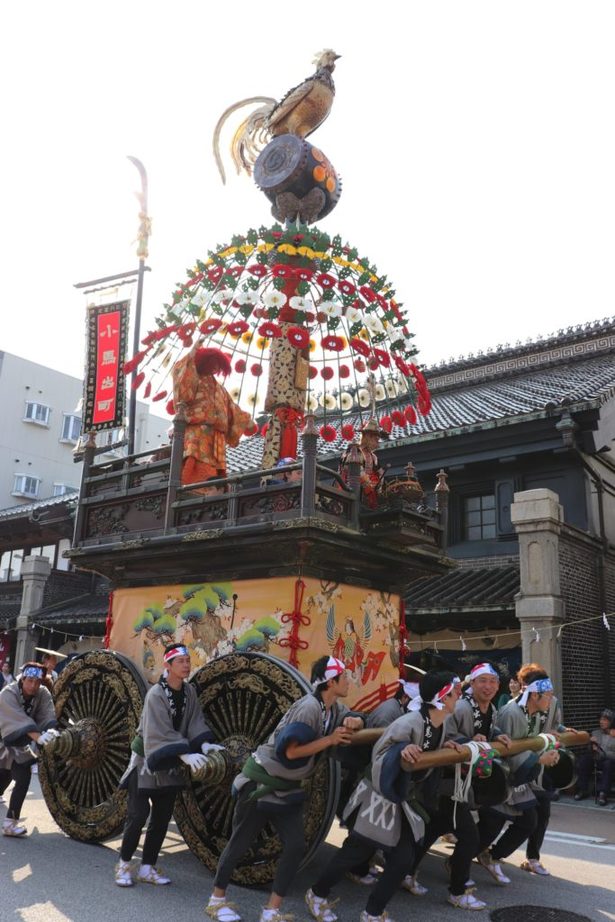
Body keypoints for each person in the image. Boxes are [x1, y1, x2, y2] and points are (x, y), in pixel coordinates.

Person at [304, 670, 481, 919]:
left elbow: (429, 747)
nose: (459, 696)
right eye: (454, 693)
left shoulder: (438, 725)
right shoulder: (408, 723)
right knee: (356, 852)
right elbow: (380, 754)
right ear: (441, 697)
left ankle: (372, 912)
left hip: (400, 801)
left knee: (402, 860)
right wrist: (400, 750)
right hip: (378, 797)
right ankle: (317, 894)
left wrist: (445, 747)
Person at [205, 656, 364, 922]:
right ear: (331, 681)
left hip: (287, 788)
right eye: (345, 677)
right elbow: (288, 751)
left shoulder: (332, 709)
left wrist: (355, 722)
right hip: (262, 782)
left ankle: (271, 910)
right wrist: (330, 739)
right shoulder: (309, 708)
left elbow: (353, 717)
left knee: (294, 846)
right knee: (240, 842)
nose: (349, 681)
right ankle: (216, 900)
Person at [115, 643, 218, 887]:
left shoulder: (189, 691)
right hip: (147, 760)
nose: (186, 665)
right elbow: (158, 731)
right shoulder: (156, 694)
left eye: (187, 660)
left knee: (162, 817)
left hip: (171, 759)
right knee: (138, 815)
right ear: (168, 665)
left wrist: (203, 745)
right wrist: (185, 754)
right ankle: (123, 864)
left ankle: (148, 867)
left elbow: (194, 721)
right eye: (180, 661)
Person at [475, 668, 561, 884]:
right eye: (548, 694)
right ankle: (463, 860)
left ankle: (491, 856)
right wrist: (538, 760)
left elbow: (539, 738)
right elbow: (502, 750)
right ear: (534, 694)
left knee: (528, 820)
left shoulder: (538, 712)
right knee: (490, 825)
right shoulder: (511, 713)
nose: (551, 698)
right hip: (501, 776)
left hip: (520, 775)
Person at [172, 342, 252, 488]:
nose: (215, 368)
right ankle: (193, 490)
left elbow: (231, 407)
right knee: (195, 461)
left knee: (215, 471)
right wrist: (192, 353)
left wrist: (247, 420)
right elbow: (182, 384)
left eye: (218, 365)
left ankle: (213, 491)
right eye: (213, 363)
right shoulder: (194, 377)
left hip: (217, 437)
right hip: (198, 431)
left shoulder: (220, 388)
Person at [0, 662, 59, 836]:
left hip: (21, 741)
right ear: (23, 678)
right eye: (30, 681)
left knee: (23, 776)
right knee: (3, 776)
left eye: (37, 682)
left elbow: (47, 714)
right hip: (4, 736)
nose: (33, 685)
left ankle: (10, 822)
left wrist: (50, 730)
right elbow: (16, 719)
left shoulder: (42, 693)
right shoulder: (8, 693)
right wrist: (38, 737)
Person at [340, 418, 388, 508]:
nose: (377, 442)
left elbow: (379, 473)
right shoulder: (353, 450)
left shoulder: (373, 457)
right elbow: (347, 468)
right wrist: (366, 481)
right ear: (367, 436)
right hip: (350, 487)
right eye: (375, 439)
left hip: (368, 493)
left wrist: (378, 484)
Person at [574, 708, 615, 805]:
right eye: (601, 719)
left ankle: (603, 793)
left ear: (611, 722)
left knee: (608, 764)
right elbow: (590, 751)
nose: (601, 722)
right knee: (584, 760)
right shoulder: (595, 732)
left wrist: (600, 751)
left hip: (610, 762)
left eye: (605, 720)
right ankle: (583, 789)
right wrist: (591, 745)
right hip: (597, 759)